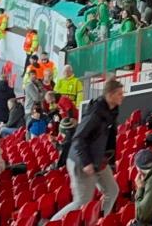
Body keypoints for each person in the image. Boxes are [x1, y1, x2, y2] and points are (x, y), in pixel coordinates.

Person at [50, 79, 124, 221]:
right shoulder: (95, 114)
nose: (123, 96)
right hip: (81, 161)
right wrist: (86, 163)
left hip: (99, 159)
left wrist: (110, 161)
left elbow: (109, 137)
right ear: (110, 95)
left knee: (112, 190)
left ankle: (99, 220)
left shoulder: (112, 111)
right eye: (119, 94)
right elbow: (78, 139)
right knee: (82, 201)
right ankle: (53, 223)